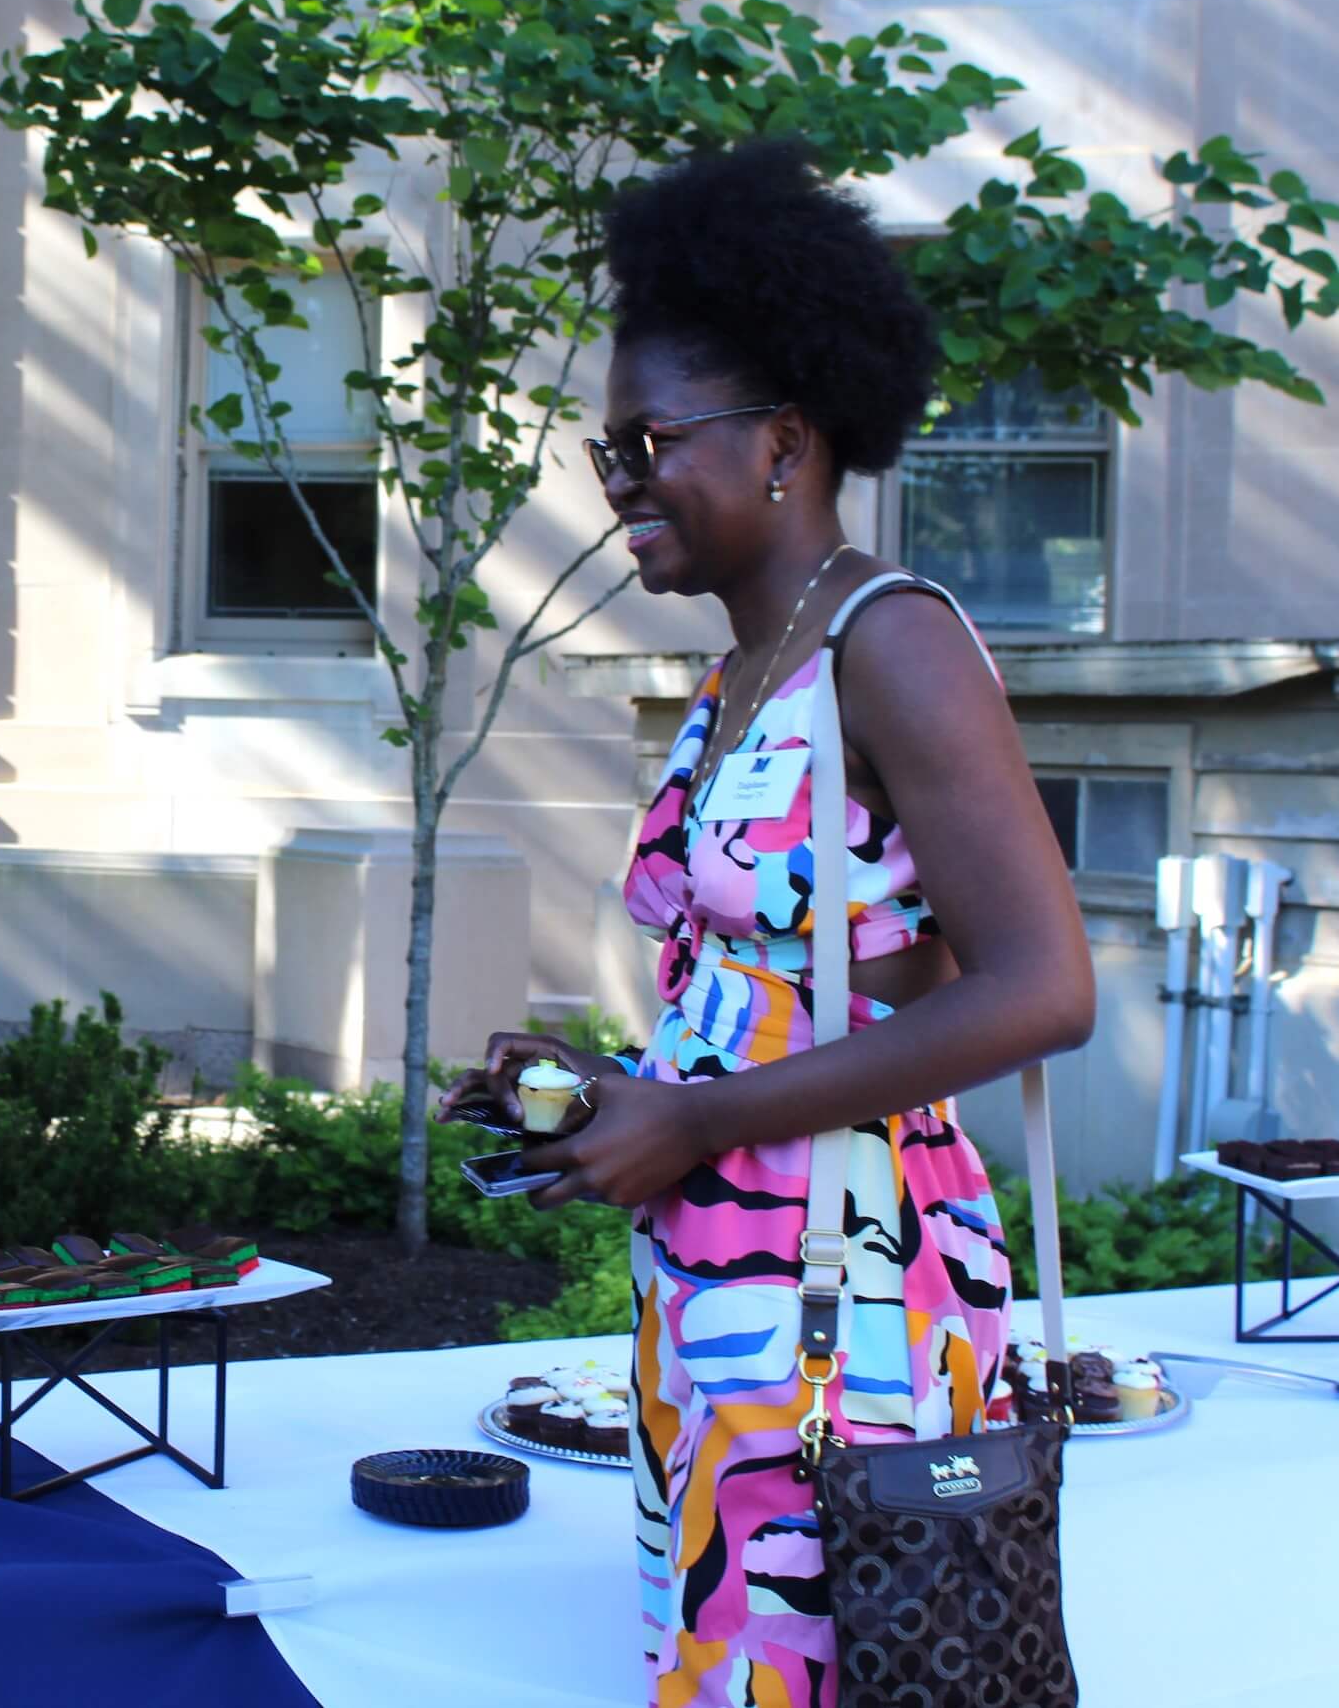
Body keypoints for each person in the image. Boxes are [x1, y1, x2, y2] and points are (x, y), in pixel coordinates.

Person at [450, 142, 1095, 1708]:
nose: (617, 488)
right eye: (608, 452)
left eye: (649, 442)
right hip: (729, 1275)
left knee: (842, 1664)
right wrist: (610, 1090)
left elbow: (1042, 987)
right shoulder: (747, 672)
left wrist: (700, 1118)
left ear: (787, 443)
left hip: (853, 1294)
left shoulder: (896, 643)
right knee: (736, 1666)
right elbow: (778, 986)